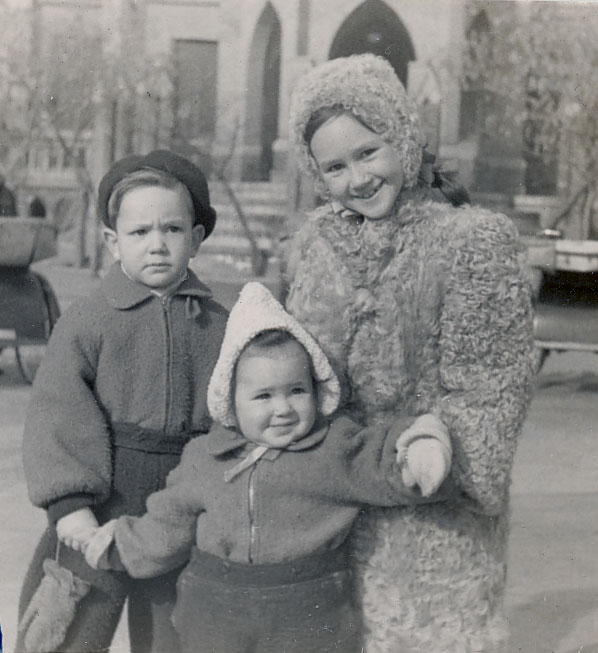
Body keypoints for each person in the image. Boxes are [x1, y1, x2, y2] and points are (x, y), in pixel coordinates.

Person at [285, 54, 537, 652]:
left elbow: (490, 386)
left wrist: (433, 463)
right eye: (336, 167)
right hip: (337, 506)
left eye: (369, 152)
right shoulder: (317, 249)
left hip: (429, 504)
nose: (357, 178)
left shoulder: (469, 241)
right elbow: (299, 367)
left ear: (402, 135)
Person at [81, 281, 455, 653]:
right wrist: (120, 546)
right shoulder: (206, 458)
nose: (283, 409)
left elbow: (379, 457)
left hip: (308, 610)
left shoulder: (333, 447)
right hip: (214, 611)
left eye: (296, 390)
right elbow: (168, 523)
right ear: (231, 402)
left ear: (316, 387)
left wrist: (419, 449)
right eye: (263, 396)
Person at [17, 149, 229, 653]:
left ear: (196, 238)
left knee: (175, 628)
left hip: (181, 503)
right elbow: (58, 410)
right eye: (139, 233)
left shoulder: (219, 323)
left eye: (172, 230)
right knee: (71, 620)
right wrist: (69, 505)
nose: (157, 245)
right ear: (113, 242)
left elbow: (237, 411)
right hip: (104, 490)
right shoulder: (90, 319)